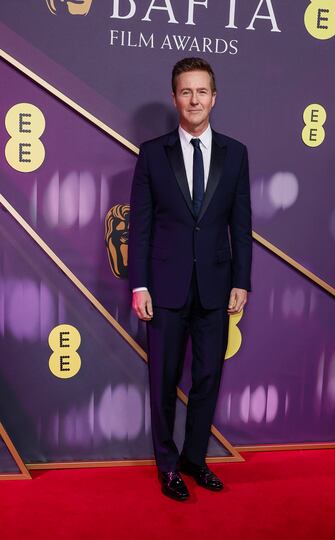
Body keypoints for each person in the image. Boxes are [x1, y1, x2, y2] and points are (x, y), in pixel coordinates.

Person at [128, 57, 252, 501]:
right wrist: (139, 285)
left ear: (214, 98)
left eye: (202, 91)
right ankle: (167, 466)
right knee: (162, 381)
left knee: (208, 378)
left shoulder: (235, 153)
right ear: (175, 97)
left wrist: (242, 280)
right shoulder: (151, 154)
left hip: (217, 288)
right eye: (186, 91)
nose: (195, 99)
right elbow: (140, 227)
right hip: (164, 290)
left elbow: (241, 224)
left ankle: (194, 459)